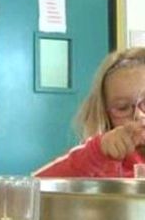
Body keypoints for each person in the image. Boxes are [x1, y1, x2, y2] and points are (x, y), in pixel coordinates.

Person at [34, 47, 145, 178]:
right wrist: (97, 151)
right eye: (122, 108)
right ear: (106, 114)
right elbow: (36, 185)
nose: (139, 115)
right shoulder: (105, 158)